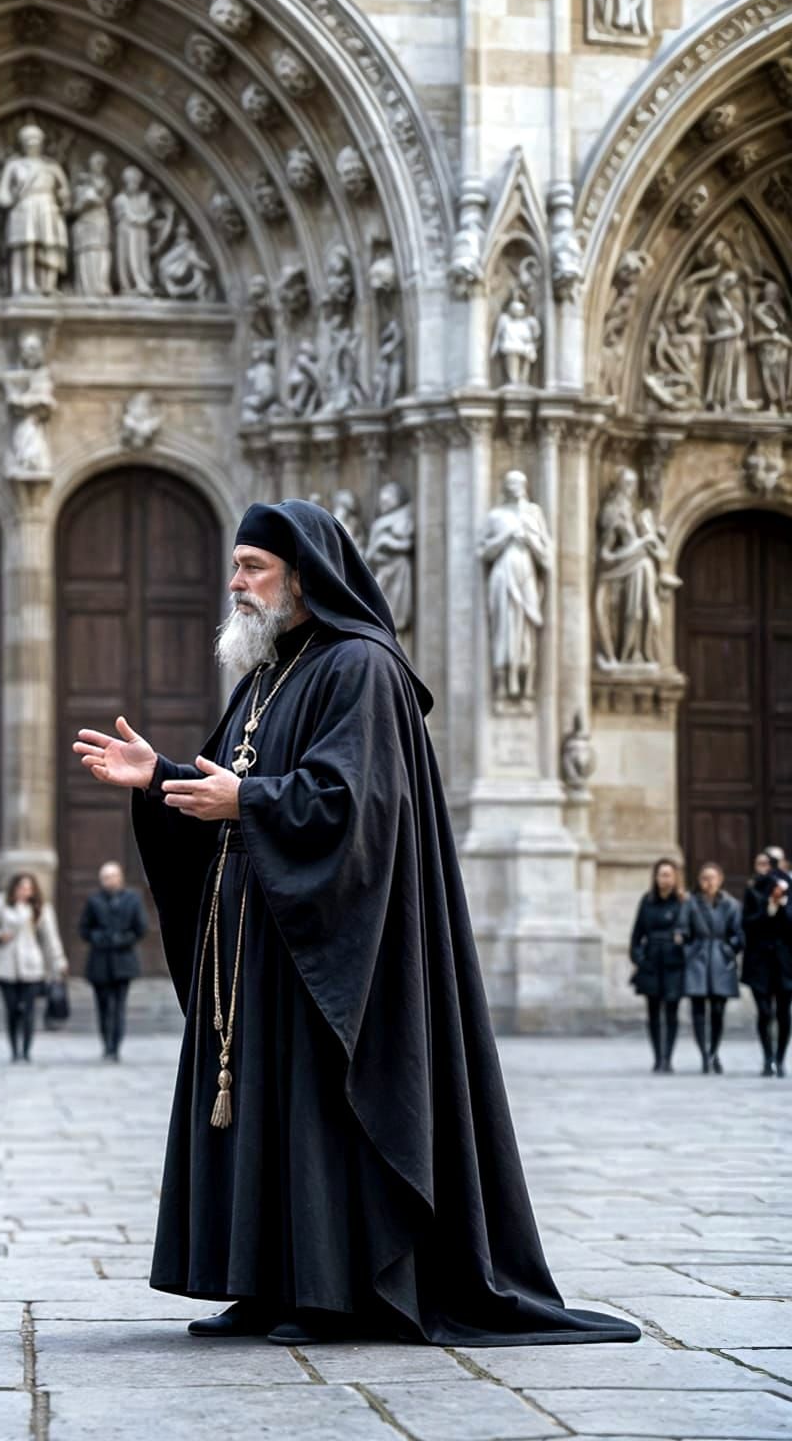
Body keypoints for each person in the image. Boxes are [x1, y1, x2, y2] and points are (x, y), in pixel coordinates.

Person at [72, 498, 637, 1347]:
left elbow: (354, 805)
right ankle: (260, 1283)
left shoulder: (360, 667)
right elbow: (230, 788)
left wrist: (244, 799)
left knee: (311, 1111)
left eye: (252, 568)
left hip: (325, 951)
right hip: (256, 949)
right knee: (257, 1106)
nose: (235, 583)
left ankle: (333, 1293)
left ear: (305, 579)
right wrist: (161, 779)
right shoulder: (267, 671)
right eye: (236, 566)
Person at [0, 873, 66, 1062]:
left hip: (31, 964)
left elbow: (51, 938)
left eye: (29, 888)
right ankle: (14, 1049)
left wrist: (58, 962)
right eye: (21, 888)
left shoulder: (42, 908)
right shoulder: (0, 902)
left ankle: (26, 1050)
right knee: (11, 1009)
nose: (25, 892)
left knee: (29, 1009)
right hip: (5, 964)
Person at [79, 860, 147, 1060]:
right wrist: (98, 937)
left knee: (118, 1006)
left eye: (113, 876)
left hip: (123, 961)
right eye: (106, 877)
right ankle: (106, 1043)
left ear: (120, 877)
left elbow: (140, 927)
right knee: (102, 1006)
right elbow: (85, 929)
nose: (109, 881)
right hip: (100, 961)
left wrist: (124, 939)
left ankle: (115, 1046)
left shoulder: (133, 899)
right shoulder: (94, 901)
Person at [629, 859, 690, 1074]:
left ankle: (668, 1057)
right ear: (655, 877)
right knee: (653, 1011)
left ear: (675, 878)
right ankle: (657, 1057)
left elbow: (691, 932)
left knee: (672, 1010)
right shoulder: (647, 901)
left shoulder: (684, 902)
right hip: (652, 961)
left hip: (674, 961)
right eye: (661, 874)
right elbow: (637, 934)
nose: (664, 879)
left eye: (668, 875)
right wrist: (638, 958)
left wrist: (683, 946)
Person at [684, 861, 742, 1074]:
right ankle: (703, 1054)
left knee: (718, 1009)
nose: (708, 882)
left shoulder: (731, 904)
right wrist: (688, 951)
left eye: (712, 878)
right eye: (704, 878)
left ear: (720, 880)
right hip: (697, 959)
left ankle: (714, 1051)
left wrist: (729, 950)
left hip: (720, 960)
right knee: (698, 1008)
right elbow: (683, 929)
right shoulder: (691, 903)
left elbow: (738, 933)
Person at [742, 850, 792, 1077]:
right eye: (760, 863)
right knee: (764, 1011)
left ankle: (780, 1059)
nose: (765, 868)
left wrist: (782, 906)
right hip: (759, 960)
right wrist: (768, 908)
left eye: (769, 863)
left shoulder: (789, 889)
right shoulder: (752, 891)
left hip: (784, 962)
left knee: (784, 1012)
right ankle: (767, 1057)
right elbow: (747, 923)